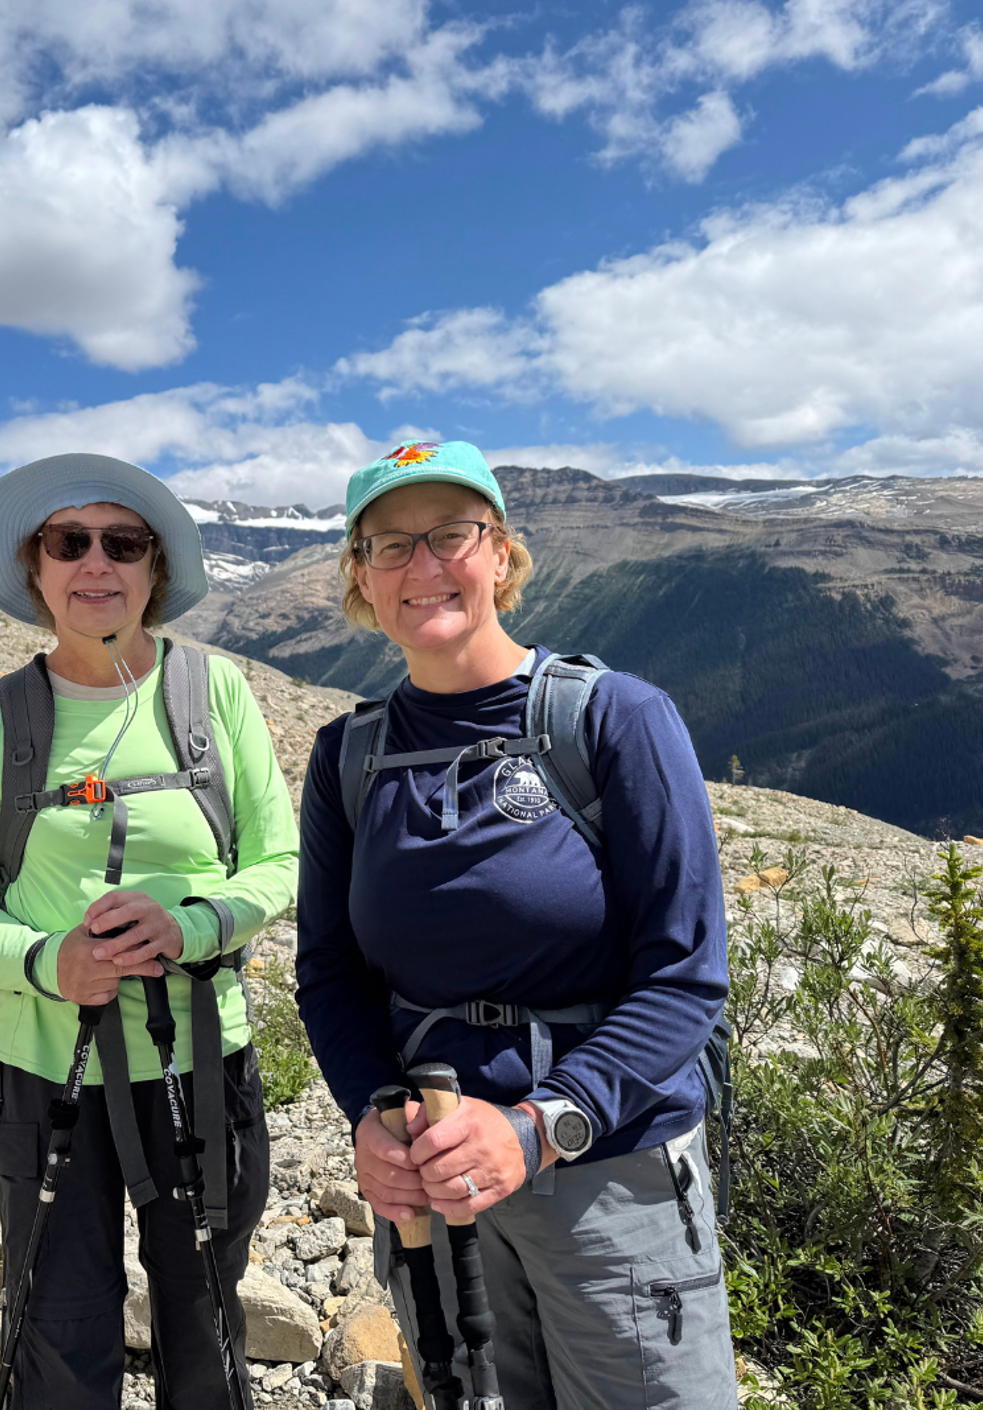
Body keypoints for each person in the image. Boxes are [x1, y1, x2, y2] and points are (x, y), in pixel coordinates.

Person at [293, 441, 737, 1408]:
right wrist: (372, 1111)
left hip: (610, 1162)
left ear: (501, 555)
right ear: (361, 579)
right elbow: (329, 973)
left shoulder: (616, 719)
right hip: (436, 1170)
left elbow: (687, 975)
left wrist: (539, 1128)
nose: (424, 566)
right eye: (390, 546)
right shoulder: (346, 759)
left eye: (452, 534)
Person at [0, 453, 298, 1409]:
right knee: (59, 1324)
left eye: (123, 542)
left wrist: (192, 922)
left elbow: (279, 865)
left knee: (205, 1322)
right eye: (68, 542)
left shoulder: (213, 695)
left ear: (154, 569)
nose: (98, 563)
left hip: (201, 1063)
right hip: (47, 1069)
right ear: (37, 569)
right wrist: (53, 960)